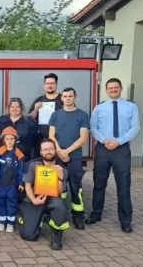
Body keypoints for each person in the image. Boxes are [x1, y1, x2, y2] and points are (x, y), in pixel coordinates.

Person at [85, 78, 140, 233]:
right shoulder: (99, 107)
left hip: (121, 149)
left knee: (123, 185)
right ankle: (96, 214)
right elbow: (93, 127)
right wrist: (104, 140)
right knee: (99, 183)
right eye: (110, 88)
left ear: (121, 88)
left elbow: (135, 127)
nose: (113, 90)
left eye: (116, 87)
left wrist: (119, 141)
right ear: (106, 90)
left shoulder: (131, 107)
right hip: (103, 148)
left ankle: (125, 220)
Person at [49, 87, 90, 229]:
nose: (67, 99)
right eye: (65, 96)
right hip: (58, 155)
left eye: (70, 96)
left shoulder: (82, 115)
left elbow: (83, 137)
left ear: (75, 97)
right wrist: (59, 151)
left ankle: (78, 216)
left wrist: (67, 151)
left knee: (75, 186)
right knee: (60, 186)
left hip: (75, 156)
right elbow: (51, 136)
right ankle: (61, 214)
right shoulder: (55, 115)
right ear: (61, 98)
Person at [19, 139, 69, 250]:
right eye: (45, 149)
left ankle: (56, 234)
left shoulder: (62, 168)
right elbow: (27, 186)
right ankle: (38, 218)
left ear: (55, 150)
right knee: (29, 236)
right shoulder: (33, 165)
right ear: (41, 152)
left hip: (53, 199)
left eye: (51, 149)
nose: (48, 152)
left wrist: (60, 177)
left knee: (60, 206)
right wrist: (33, 199)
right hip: (35, 199)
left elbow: (60, 191)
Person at [0, 127, 25, 233]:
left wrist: (21, 182)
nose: (10, 141)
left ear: (15, 140)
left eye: (12, 139)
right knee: (0, 201)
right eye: (7, 139)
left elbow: (21, 169)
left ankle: (10, 223)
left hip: (13, 184)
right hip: (1, 183)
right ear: (3, 140)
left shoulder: (19, 154)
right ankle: (1, 222)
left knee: (12, 202)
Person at [28, 73, 64, 142]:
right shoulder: (38, 100)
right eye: (47, 83)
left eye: (52, 83)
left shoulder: (64, 99)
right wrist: (35, 110)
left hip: (60, 139)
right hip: (41, 139)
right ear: (44, 85)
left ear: (56, 84)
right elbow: (30, 119)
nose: (50, 85)